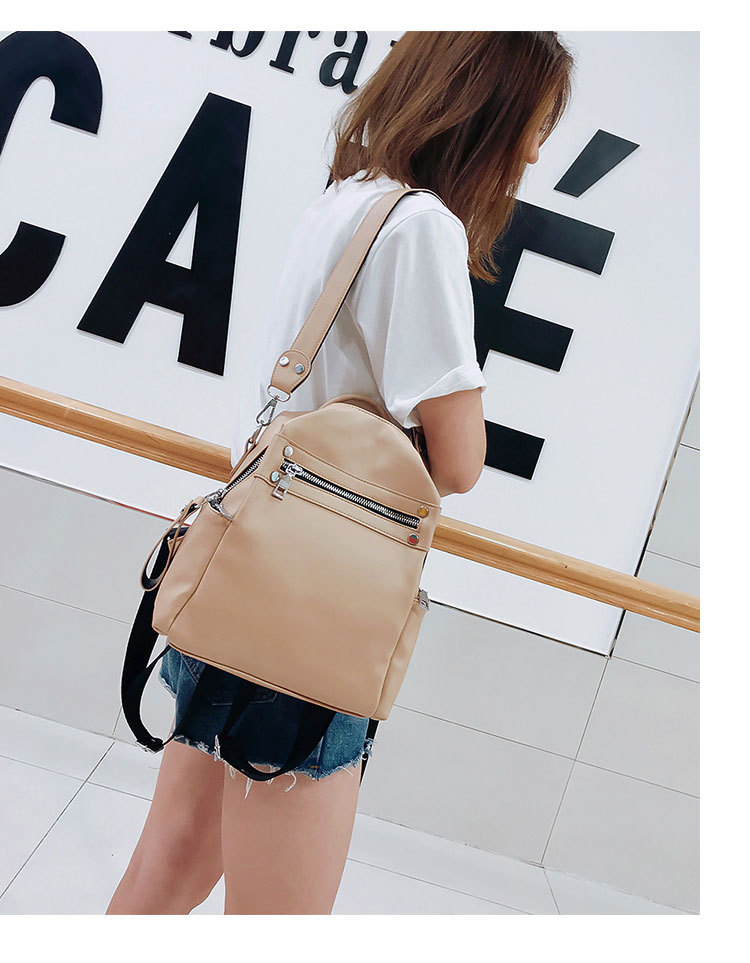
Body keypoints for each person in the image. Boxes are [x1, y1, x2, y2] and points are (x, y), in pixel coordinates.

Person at [108, 30, 574, 916]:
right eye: (534, 123)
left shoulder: (349, 198)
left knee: (162, 874)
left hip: (247, 571)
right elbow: (460, 461)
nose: (534, 153)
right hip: (311, 616)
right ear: (484, 110)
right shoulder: (423, 227)